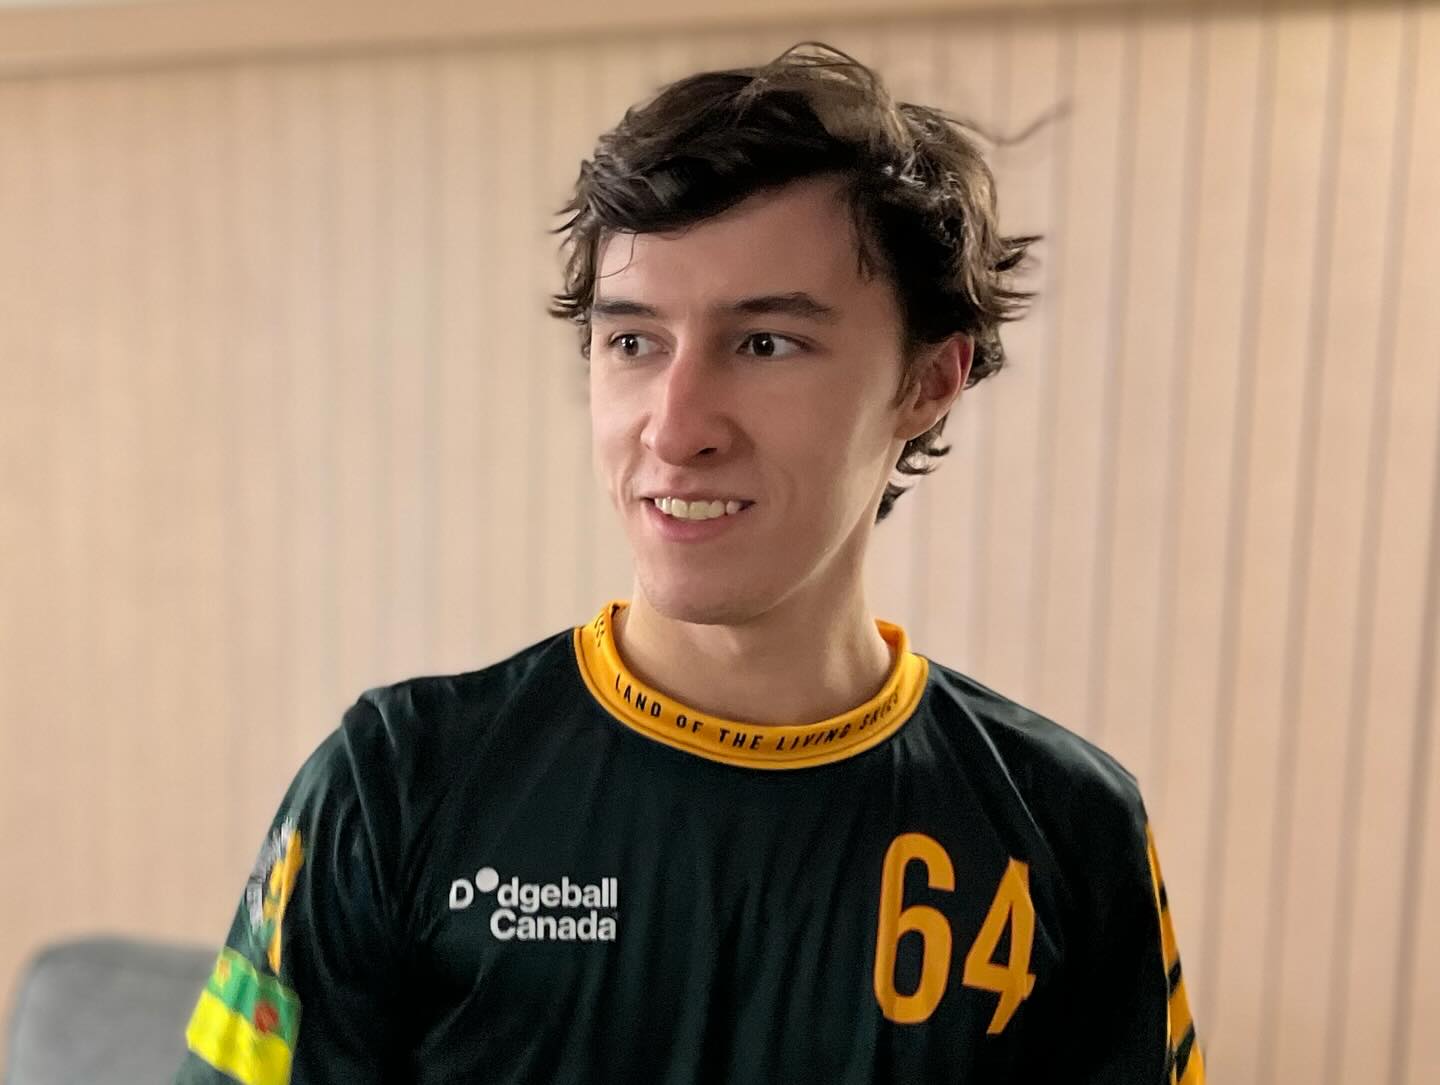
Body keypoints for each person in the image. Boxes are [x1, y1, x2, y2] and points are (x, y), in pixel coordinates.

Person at [177, 43, 1204, 1085]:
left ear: (928, 380)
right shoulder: (393, 783)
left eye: (764, 343)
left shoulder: (1070, 831)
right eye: (633, 342)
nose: (675, 429)